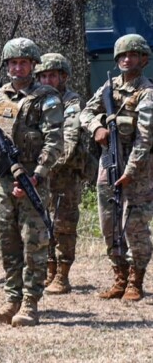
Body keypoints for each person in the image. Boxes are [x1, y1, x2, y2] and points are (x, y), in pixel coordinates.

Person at [0, 38, 64, 327]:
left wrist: (36, 175)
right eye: (13, 63)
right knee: (8, 241)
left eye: (23, 62)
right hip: (2, 179)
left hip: (31, 179)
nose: (18, 67)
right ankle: (11, 299)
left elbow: (54, 142)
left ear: (33, 65)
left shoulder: (47, 97)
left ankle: (30, 303)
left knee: (33, 242)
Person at [80, 34, 153, 301]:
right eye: (122, 55)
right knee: (108, 223)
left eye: (132, 55)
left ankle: (136, 280)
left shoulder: (147, 94)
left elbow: (145, 139)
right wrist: (97, 127)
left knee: (134, 226)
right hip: (108, 164)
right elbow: (85, 112)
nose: (126, 59)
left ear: (143, 59)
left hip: (137, 171)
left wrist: (130, 171)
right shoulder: (108, 88)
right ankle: (119, 277)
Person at [36, 53, 86, 295]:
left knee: (63, 224)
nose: (47, 80)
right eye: (43, 75)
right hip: (40, 173)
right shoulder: (37, 100)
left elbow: (70, 138)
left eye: (52, 75)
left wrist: (48, 164)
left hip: (63, 174)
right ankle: (49, 269)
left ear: (63, 76)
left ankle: (63, 275)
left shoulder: (71, 102)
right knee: (43, 221)